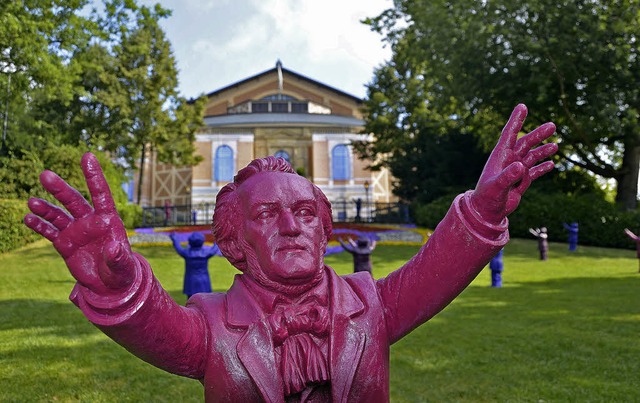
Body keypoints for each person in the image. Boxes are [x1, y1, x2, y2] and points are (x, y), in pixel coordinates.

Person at [24, 104, 557, 402]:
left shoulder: (370, 304)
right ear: (233, 242)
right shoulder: (212, 324)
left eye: (305, 213)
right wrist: (117, 285)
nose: (291, 227)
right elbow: (158, 328)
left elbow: (437, 270)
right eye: (265, 215)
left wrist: (484, 211)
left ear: (325, 230)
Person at [169, 232, 220, 298]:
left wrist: (174, 238)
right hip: (203, 281)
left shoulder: (186, 253)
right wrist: (218, 237)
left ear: (190, 242)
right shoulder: (206, 254)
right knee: (205, 301)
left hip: (190, 281)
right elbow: (214, 248)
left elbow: (178, 247)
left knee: (191, 301)